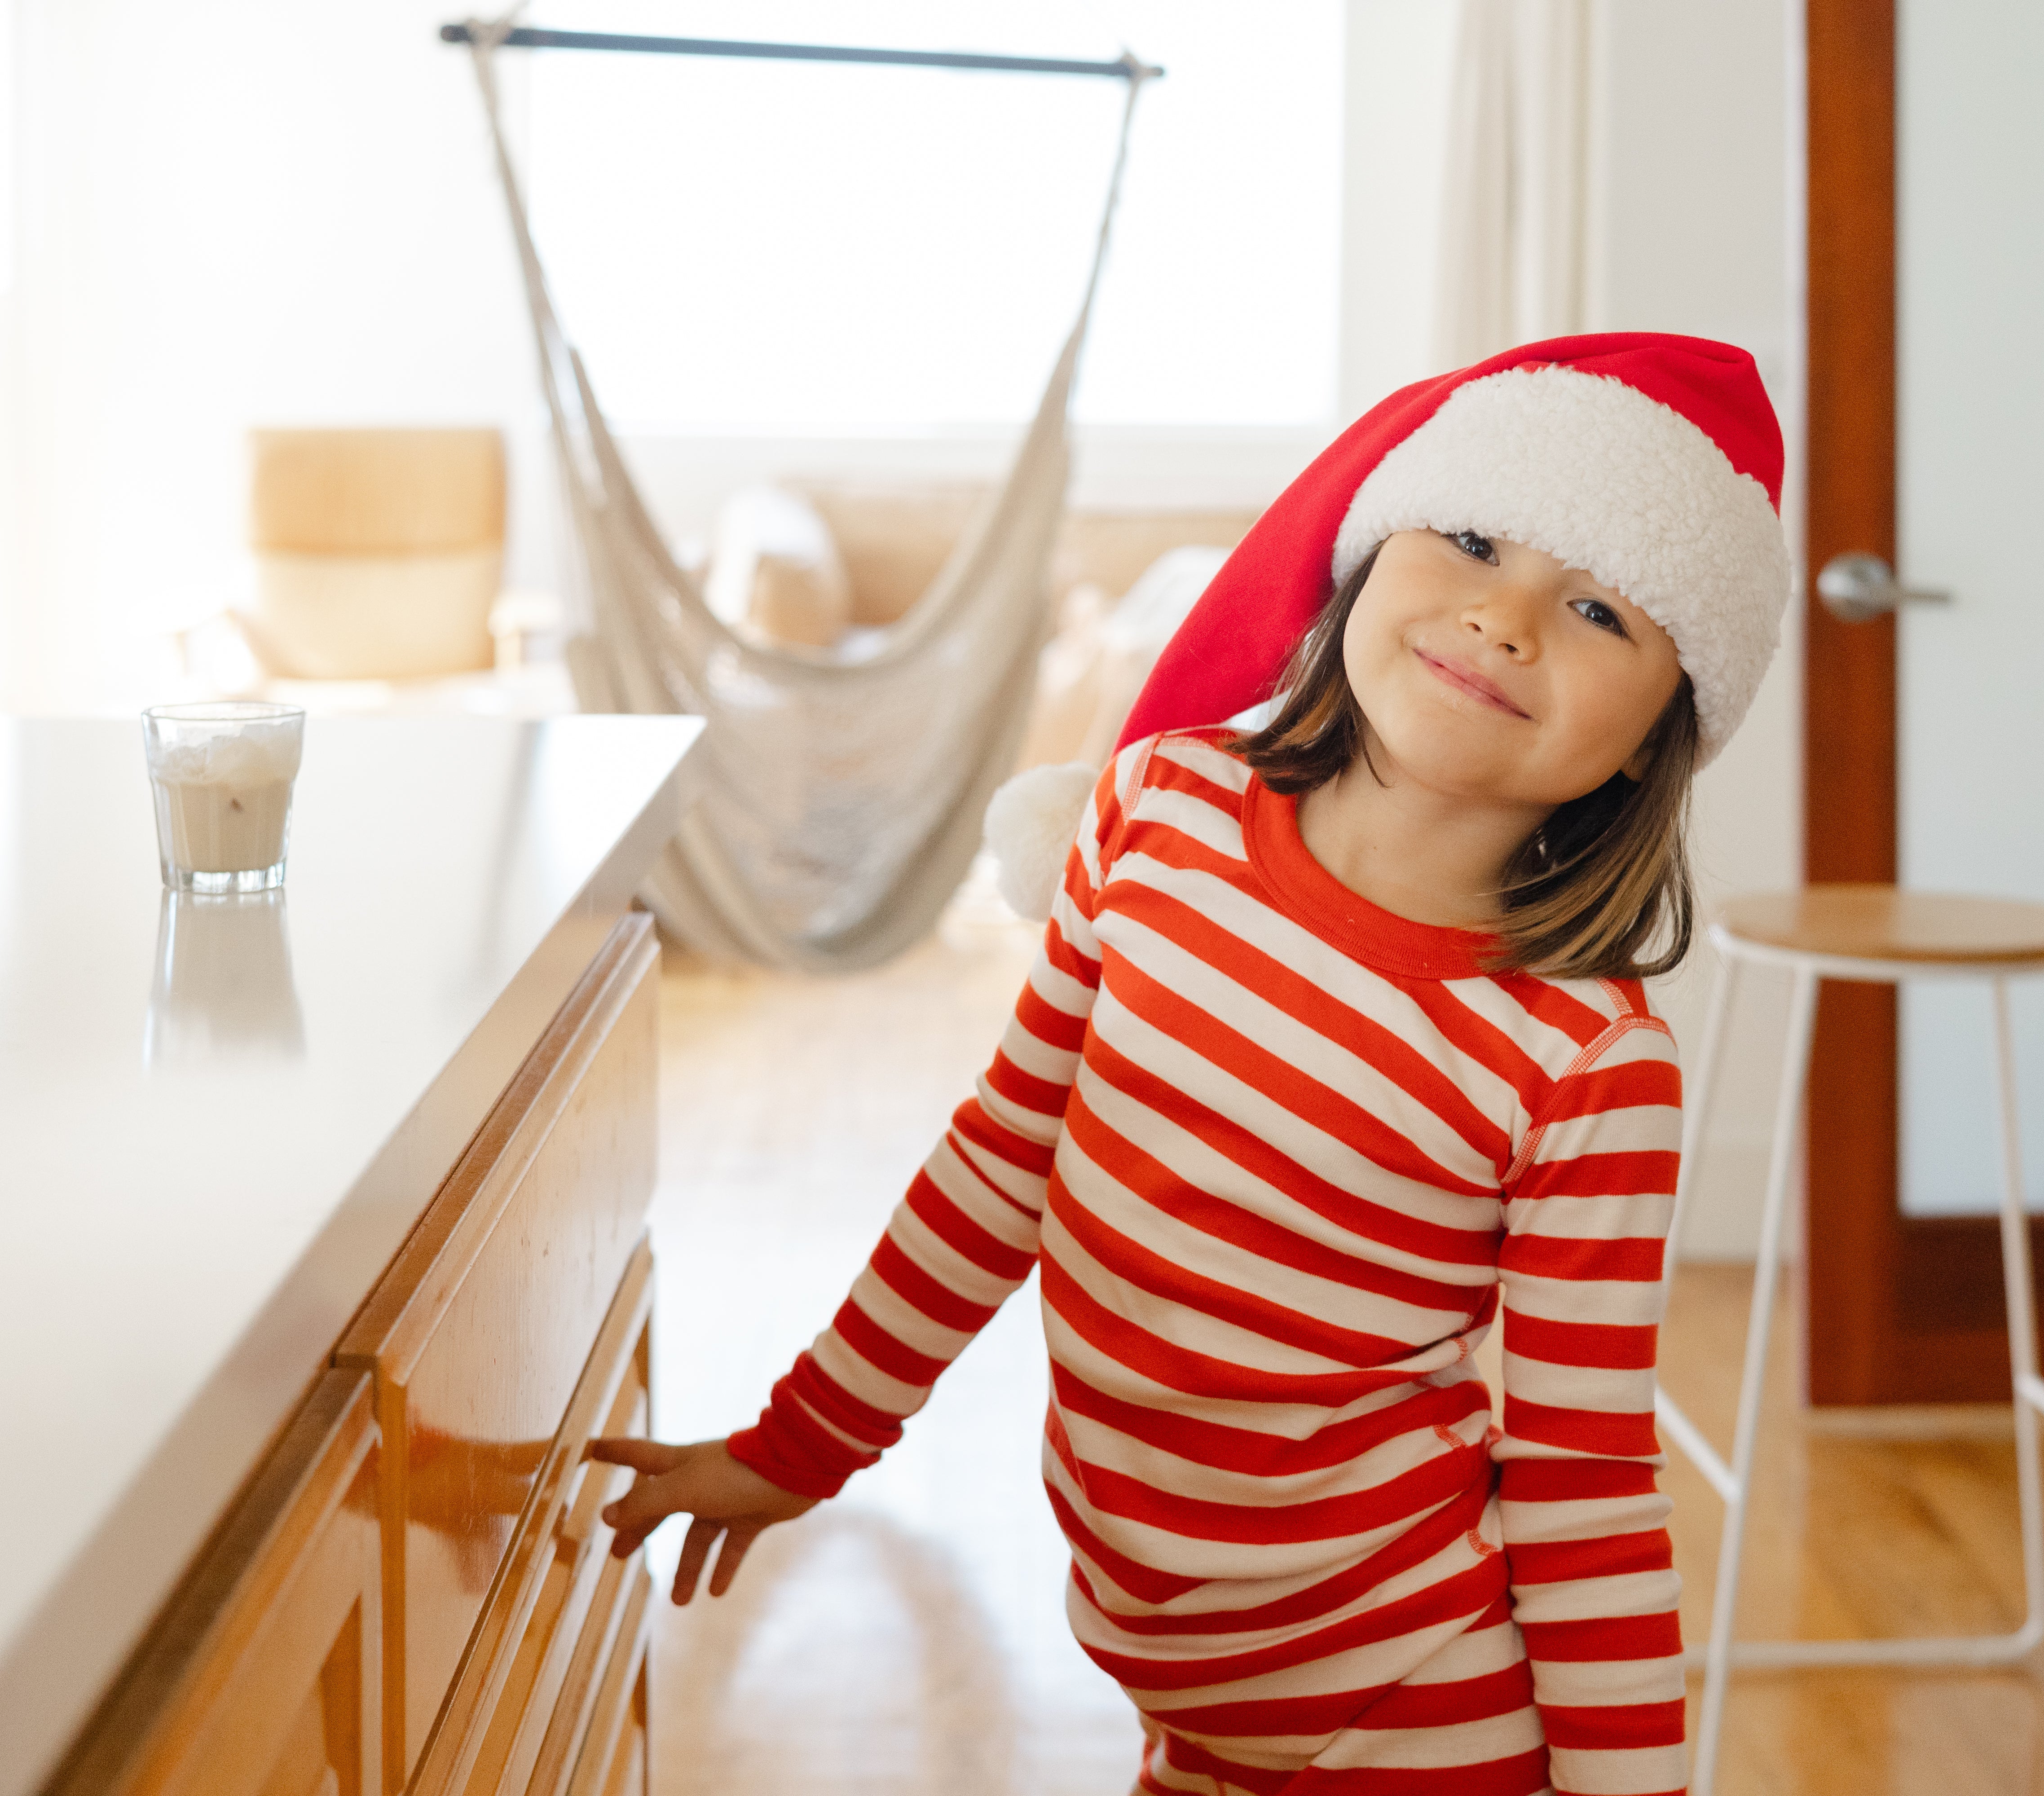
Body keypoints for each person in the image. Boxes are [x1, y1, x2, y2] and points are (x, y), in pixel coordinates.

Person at [589, 333, 1793, 1796]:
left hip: (1415, 1723)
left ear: (1658, 734)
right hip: (1185, 1708)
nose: (1505, 617)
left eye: (1600, 606)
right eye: (1472, 539)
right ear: (1369, 554)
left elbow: (1581, 1478)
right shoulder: (1158, 816)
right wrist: (797, 1449)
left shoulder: (1586, 1056)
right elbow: (996, 1169)